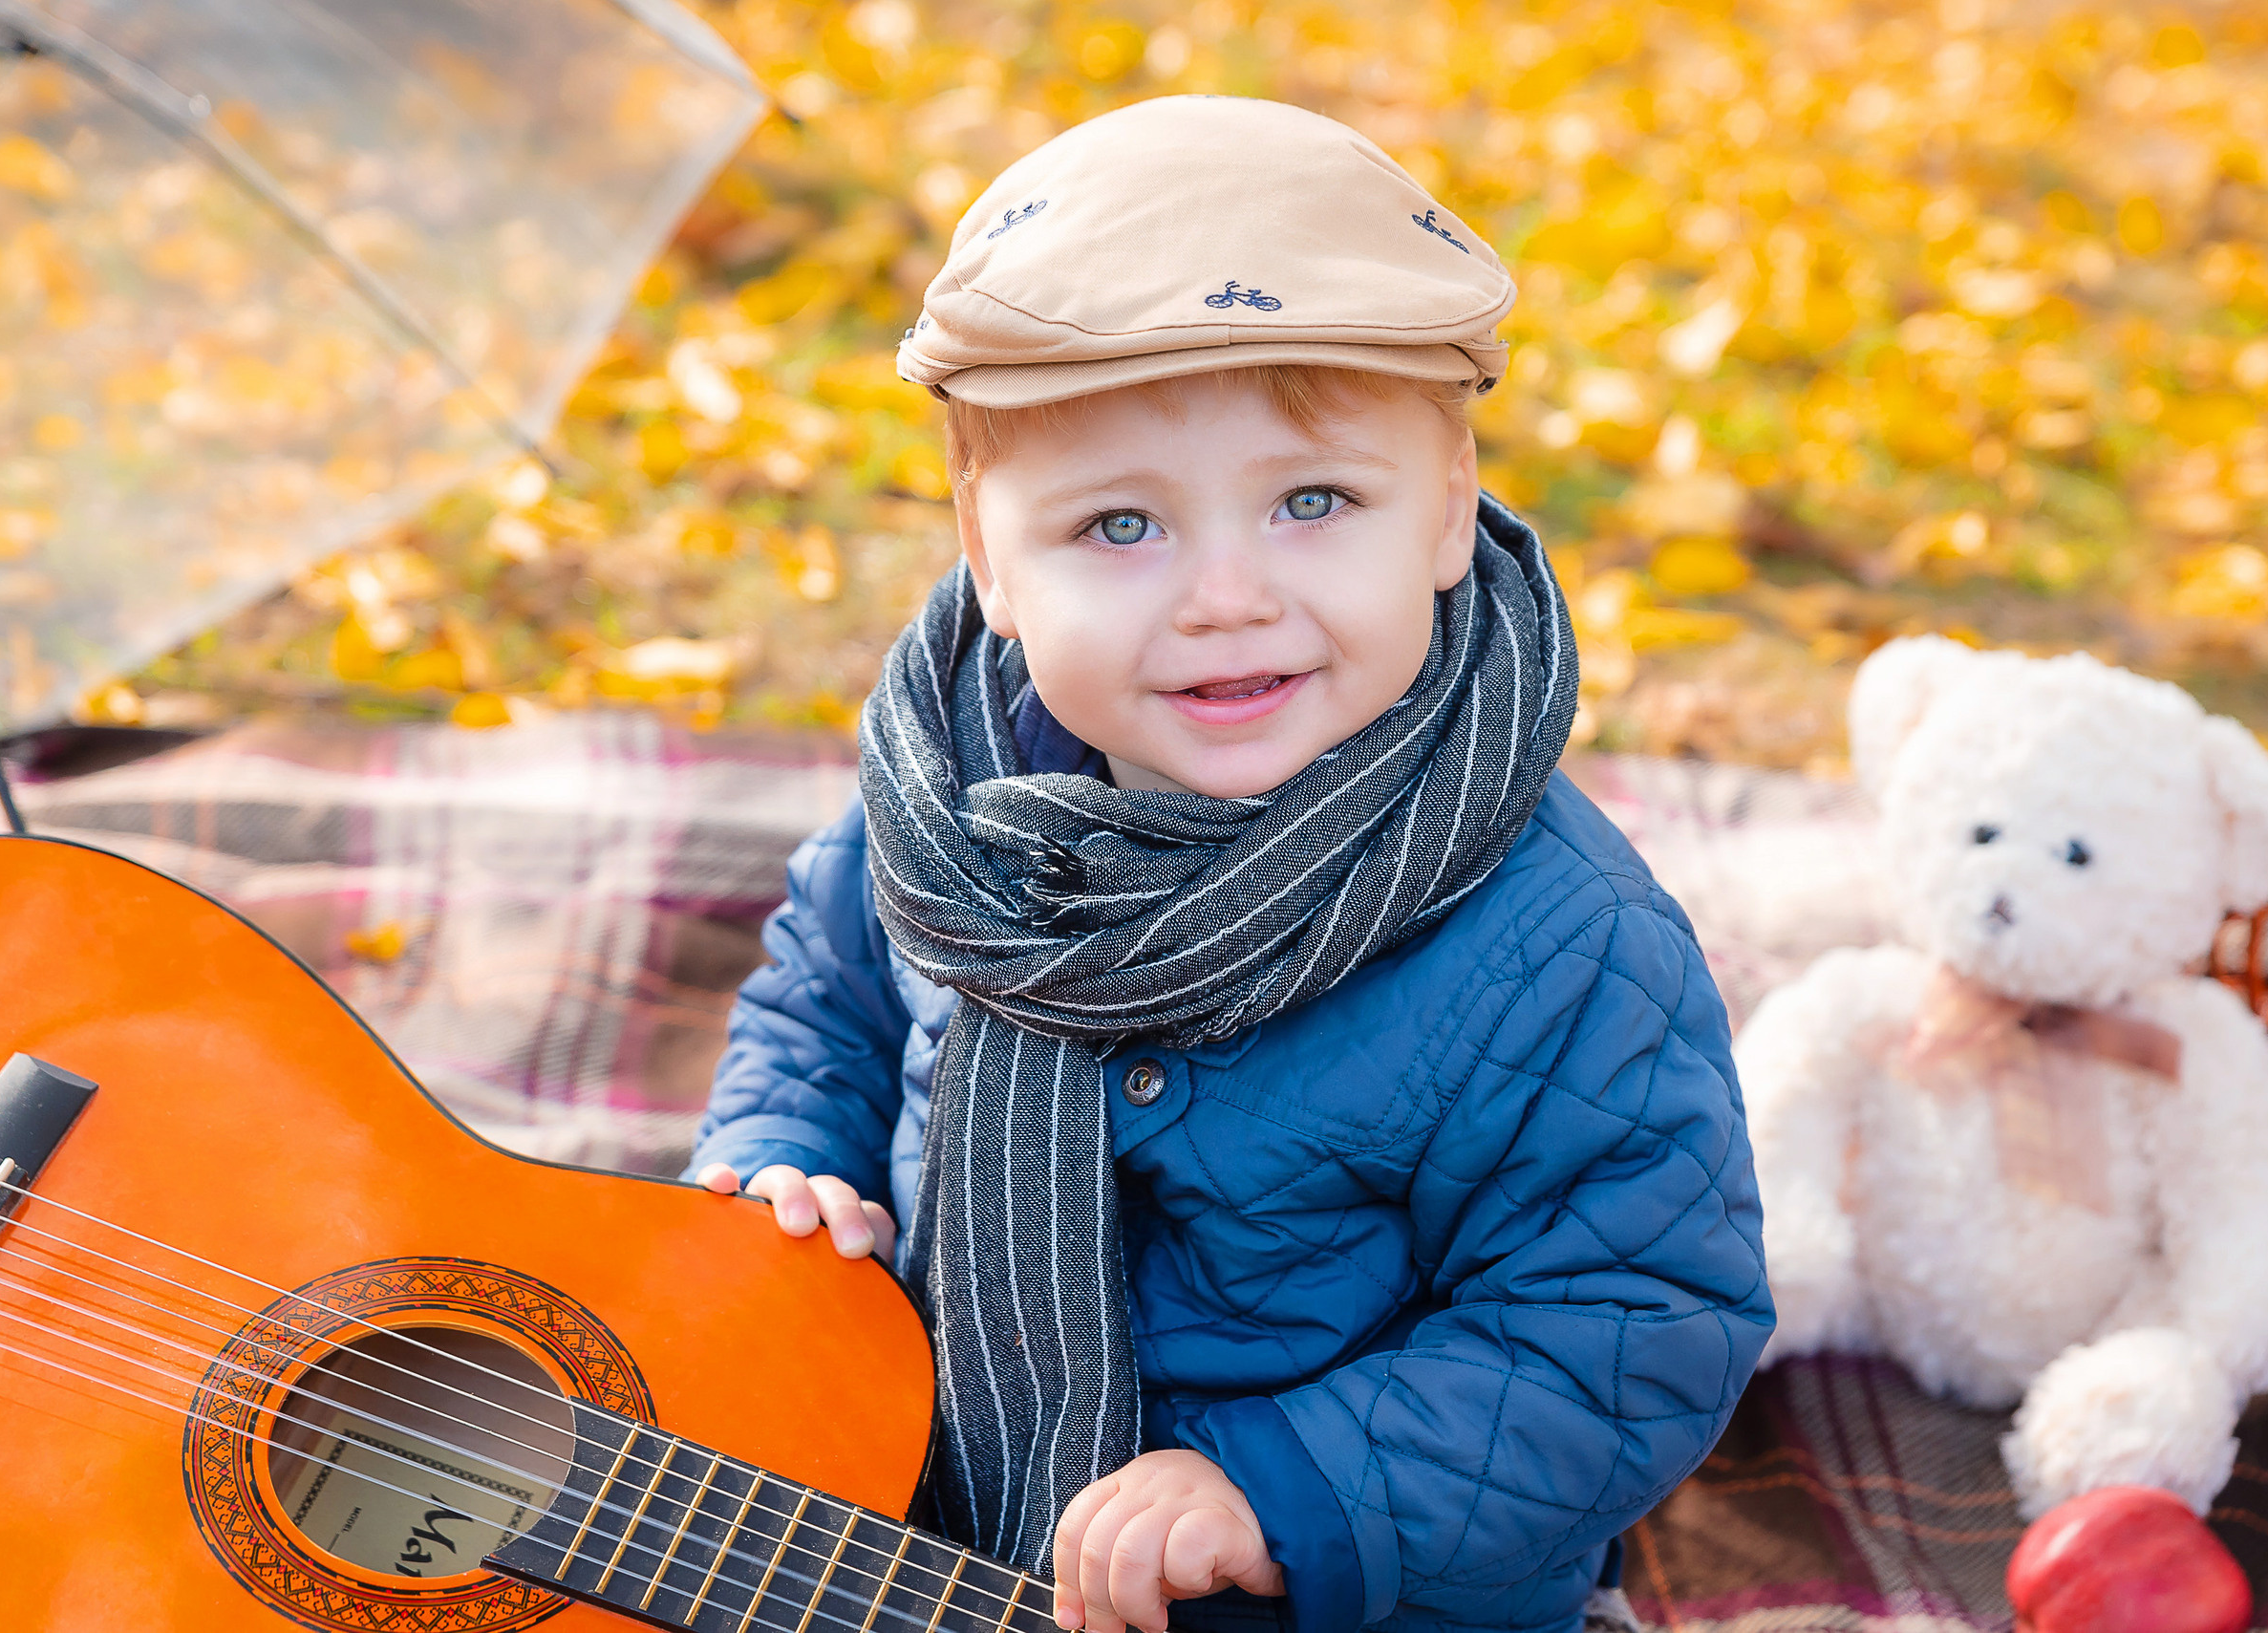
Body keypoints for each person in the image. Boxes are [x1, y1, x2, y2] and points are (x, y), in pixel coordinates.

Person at [687, 96, 1769, 1633]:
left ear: (1446, 510)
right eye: (1120, 524)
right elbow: (829, 1004)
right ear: (991, 558)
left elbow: (1635, 1318)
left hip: (1347, 1587)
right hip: (917, 1501)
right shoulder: (947, 812)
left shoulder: (1560, 939)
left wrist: (1283, 1488)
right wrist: (788, 1152)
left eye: (1311, 502)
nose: (1225, 596)